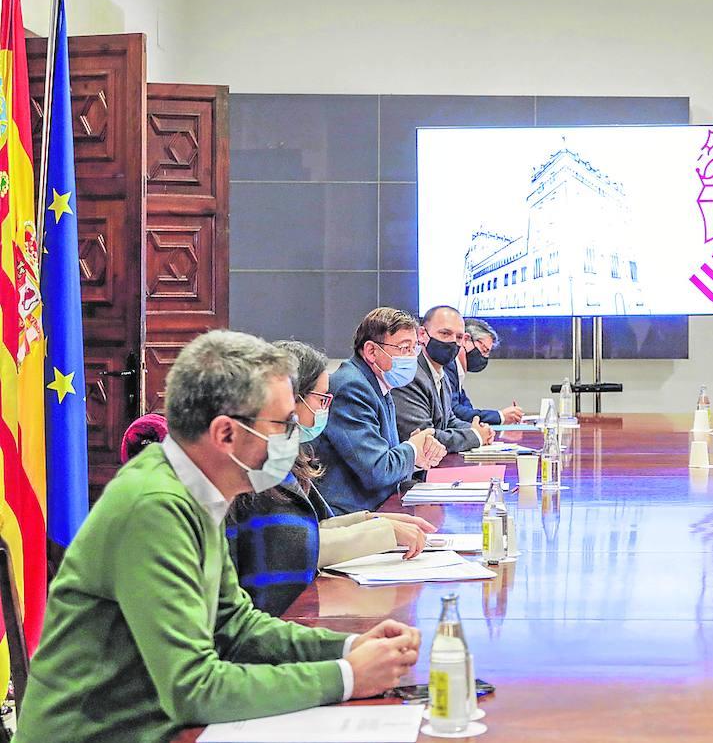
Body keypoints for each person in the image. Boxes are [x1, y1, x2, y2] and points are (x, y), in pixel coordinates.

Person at [15, 331, 422, 742]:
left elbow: (236, 626)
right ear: (226, 433)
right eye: (283, 424)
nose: (295, 434)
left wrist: (349, 648)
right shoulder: (154, 507)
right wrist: (347, 677)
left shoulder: (198, 490)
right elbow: (193, 690)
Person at [226, 340, 437, 615]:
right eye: (321, 399)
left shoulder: (284, 452)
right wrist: (383, 532)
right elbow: (292, 548)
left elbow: (313, 527)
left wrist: (372, 520)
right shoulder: (257, 464)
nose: (326, 408)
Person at [318, 307, 447, 514]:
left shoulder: (378, 384)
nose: (411, 357)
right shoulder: (352, 387)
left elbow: (385, 461)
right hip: (349, 514)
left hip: (374, 505)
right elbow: (377, 470)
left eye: (414, 348)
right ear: (371, 351)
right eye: (404, 348)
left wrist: (418, 457)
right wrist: (412, 449)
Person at [393, 305, 495, 453]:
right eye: (445, 333)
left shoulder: (442, 374)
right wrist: (475, 436)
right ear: (422, 334)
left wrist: (477, 429)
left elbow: (448, 421)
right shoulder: (410, 375)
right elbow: (425, 437)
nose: (453, 342)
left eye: (458, 337)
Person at [446, 318, 523, 425]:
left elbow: (468, 411)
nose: (484, 357)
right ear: (465, 340)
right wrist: (500, 416)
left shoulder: (457, 373)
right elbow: (455, 411)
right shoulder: (447, 368)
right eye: (484, 350)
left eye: (487, 353)